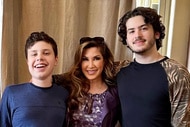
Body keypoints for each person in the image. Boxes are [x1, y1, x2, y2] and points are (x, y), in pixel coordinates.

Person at [117, 6, 190, 127]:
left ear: (156, 33)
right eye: (131, 31)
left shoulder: (176, 72)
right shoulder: (119, 70)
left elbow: (183, 123)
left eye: (144, 28)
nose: (137, 35)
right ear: (126, 38)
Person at [0, 31, 68, 126]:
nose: (39, 58)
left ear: (56, 59)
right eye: (34, 54)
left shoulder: (64, 94)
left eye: (46, 53)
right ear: (28, 61)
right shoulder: (11, 93)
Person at [54, 37, 121, 127]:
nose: (90, 65)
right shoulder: (68, 88)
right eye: (85, 59)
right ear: (79, 62)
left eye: (96, 58)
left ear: (104, 61)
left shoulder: (115, 93)